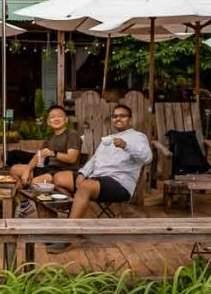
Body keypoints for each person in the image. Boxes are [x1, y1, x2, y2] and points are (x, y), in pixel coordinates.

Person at [48, 104, 152, 253]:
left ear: (130, 120)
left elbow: (147, 158)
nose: (118, 119)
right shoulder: (108, 139)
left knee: (85, 187)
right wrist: (83, 173)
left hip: (119, 183)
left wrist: (126, 146)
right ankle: (75, 212)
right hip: (96, 179)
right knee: (58, 178)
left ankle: (67, 235)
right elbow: (94, 160)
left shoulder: (138, 137)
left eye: (122, 116)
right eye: (115, 116)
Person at [11, 105, 81, 186]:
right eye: (52, 117)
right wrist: (27, 170)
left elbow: (72, 158)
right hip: (49, 169)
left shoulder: (72, 134)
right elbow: (38, 155)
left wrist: (53, 153)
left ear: (66, 120)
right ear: (48, 122)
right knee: (14, 169)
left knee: (35, 182)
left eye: (60, 116)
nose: (56, 119)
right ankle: (21, 195)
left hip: (64, 172)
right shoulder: (50, 137)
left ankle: (28, 191)